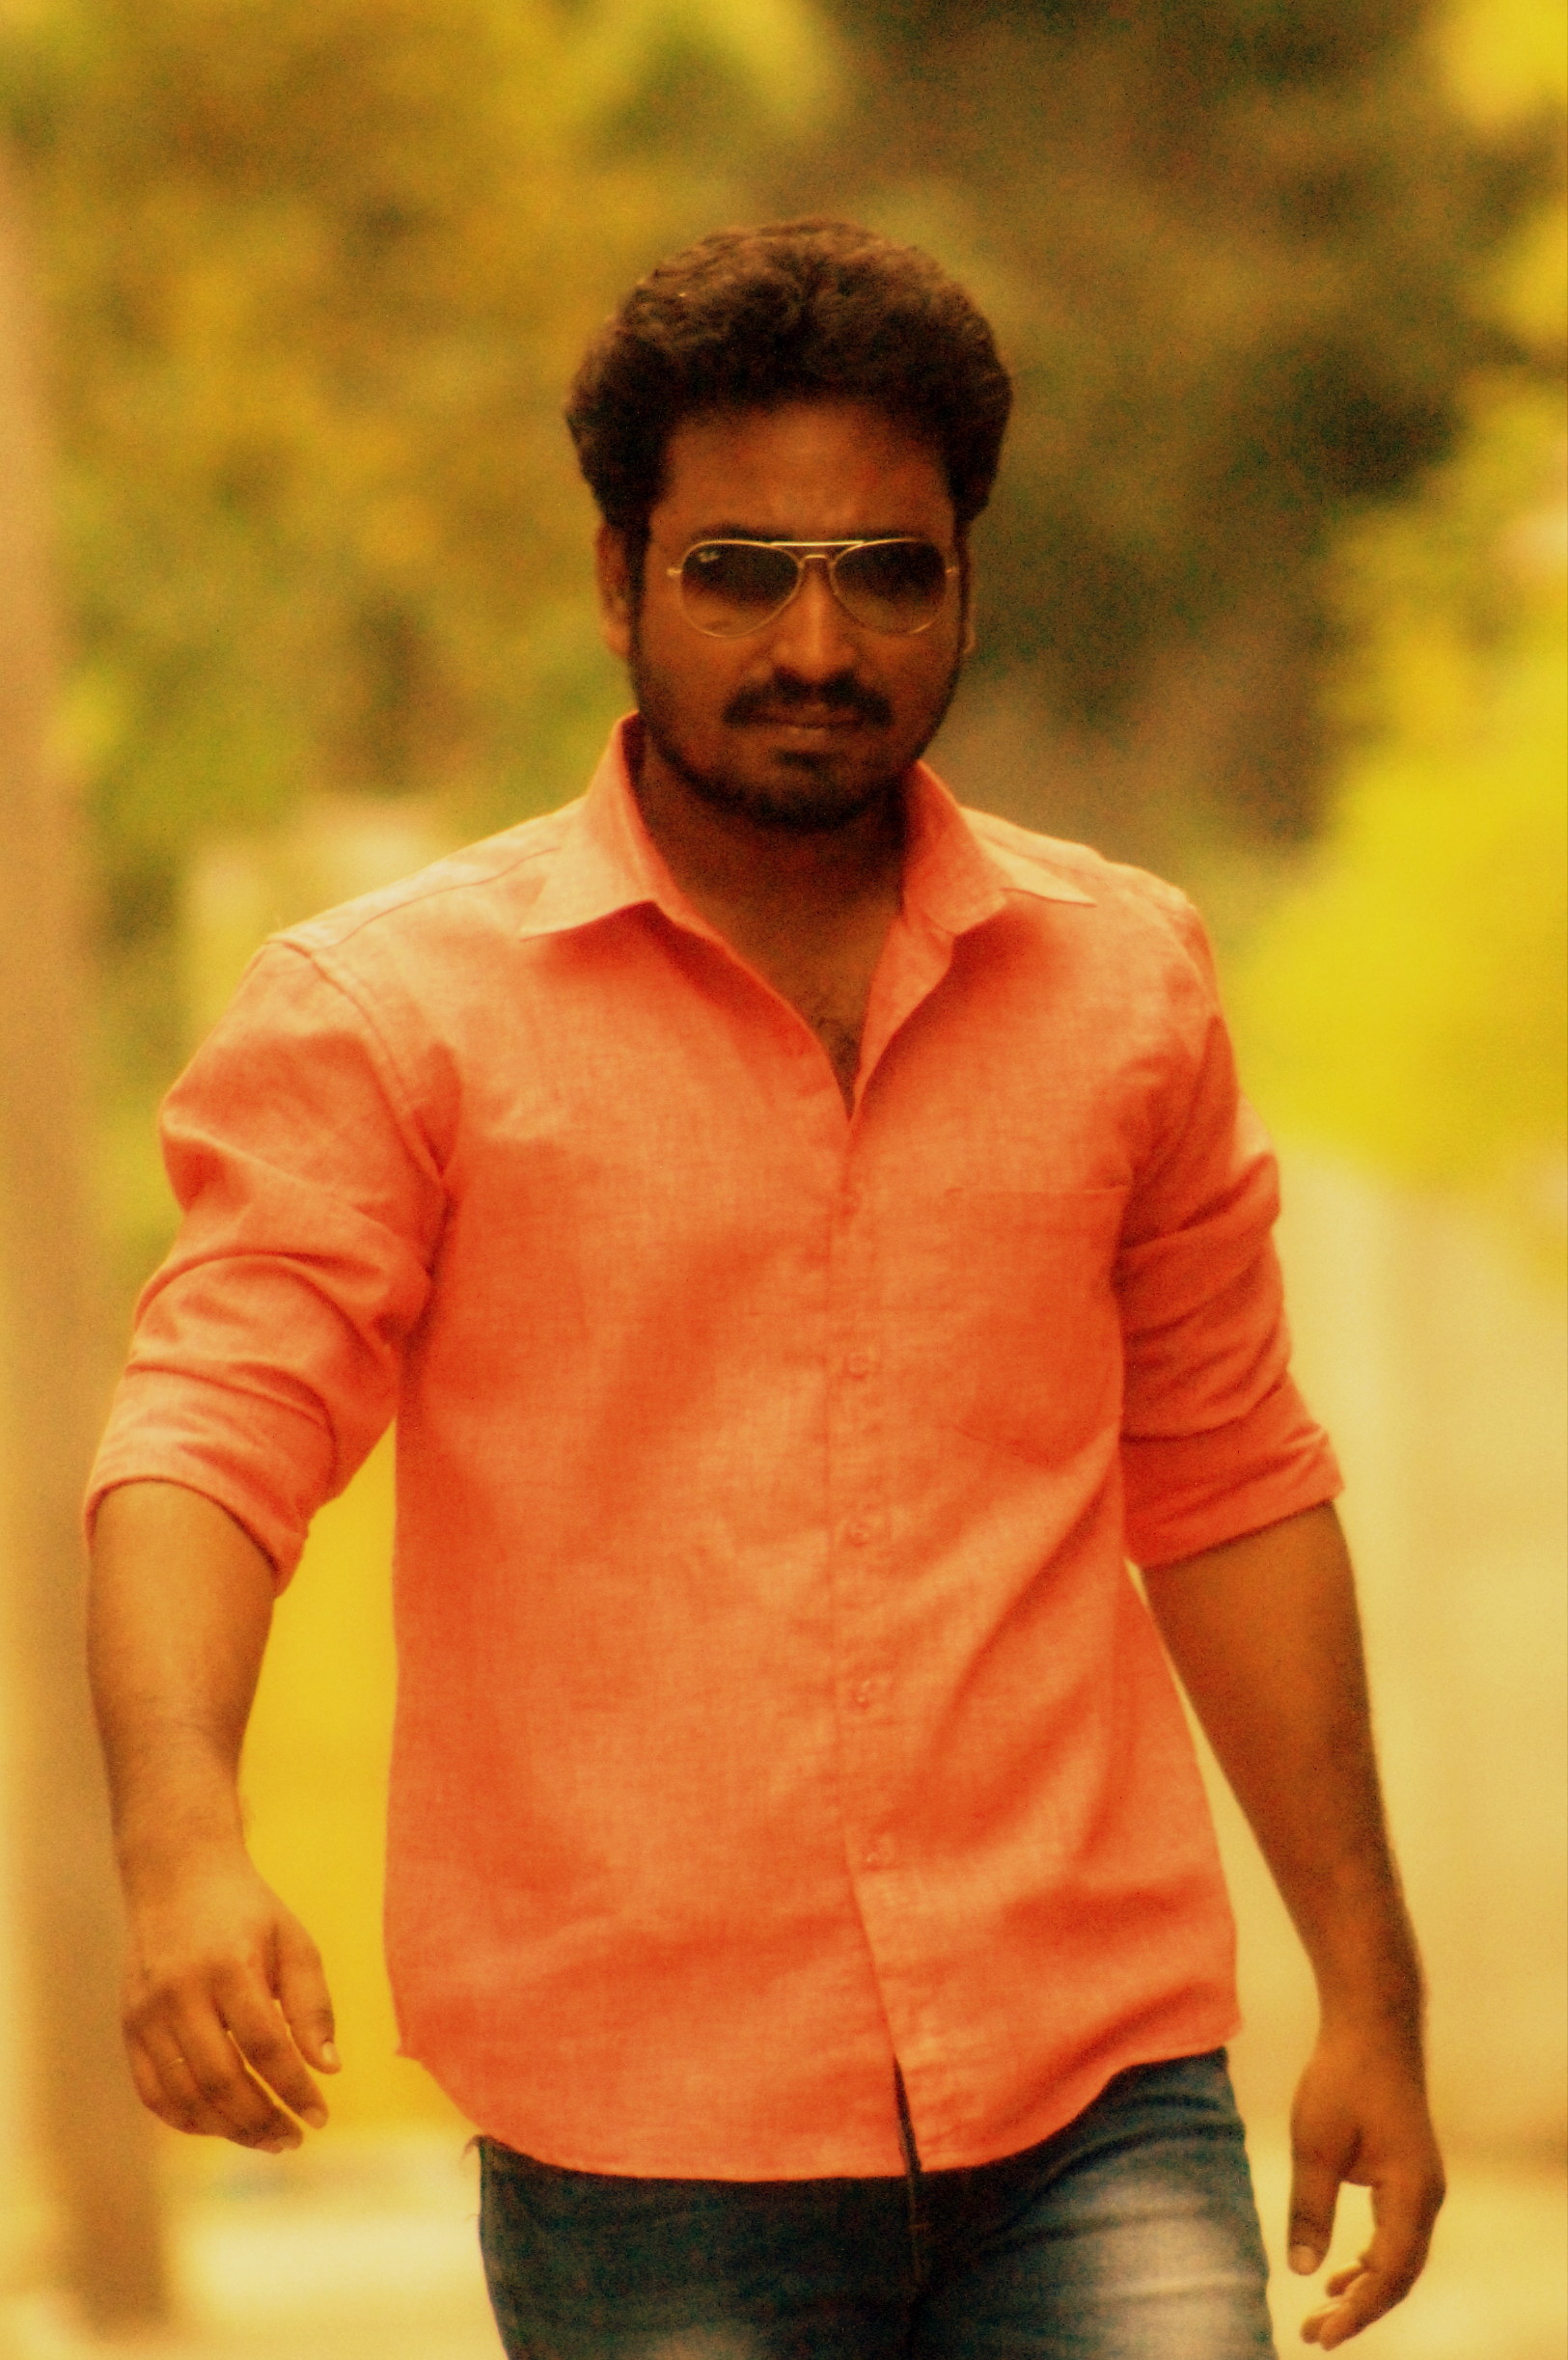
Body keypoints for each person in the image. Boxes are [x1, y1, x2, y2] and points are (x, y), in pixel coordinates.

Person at [86, 220, 1444, 2358]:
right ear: (617, 579)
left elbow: (1232, 1481)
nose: (816, 641)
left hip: (1097, 2095)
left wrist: (1369, 1989)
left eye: (885, 571)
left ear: (964, 585)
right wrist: (182, 1847)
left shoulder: (1124, 984)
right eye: (737, 571)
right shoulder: (388, 1016)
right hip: (647, 2151)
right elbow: (209, 1434)